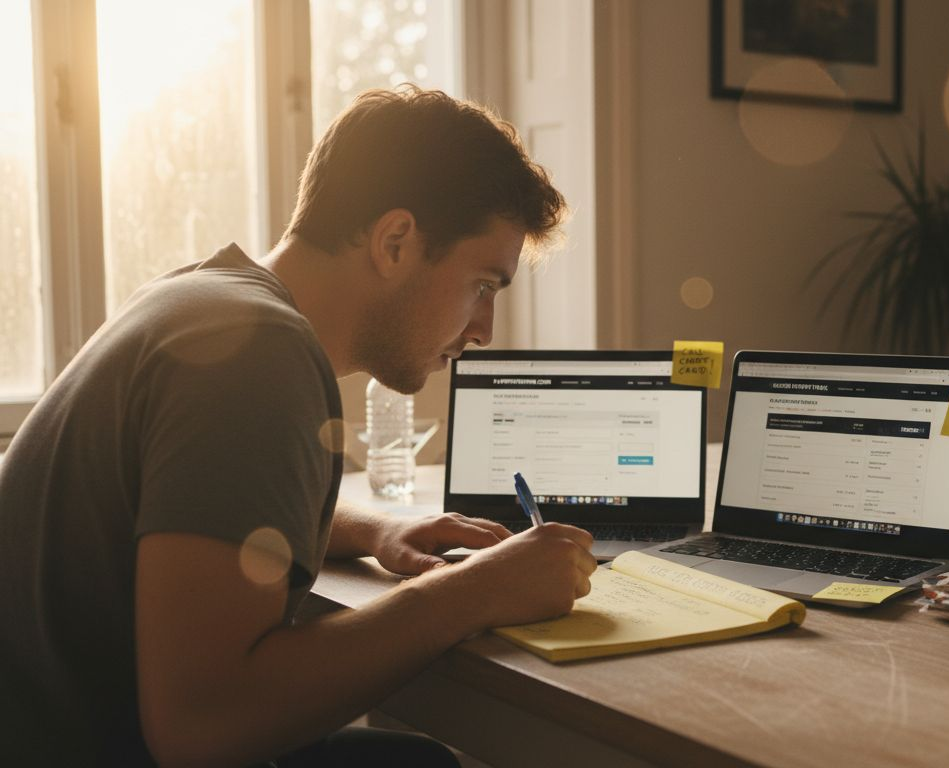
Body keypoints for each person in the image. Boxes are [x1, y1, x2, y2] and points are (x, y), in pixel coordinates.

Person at [0, 86, 597, 766]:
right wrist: (471, 591)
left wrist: (378, 530)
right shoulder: (255, 357)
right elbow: (200, 727)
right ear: (396, 241)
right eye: (483, 285)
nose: (486, 329)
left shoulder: (204, 297)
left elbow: (193, 503)